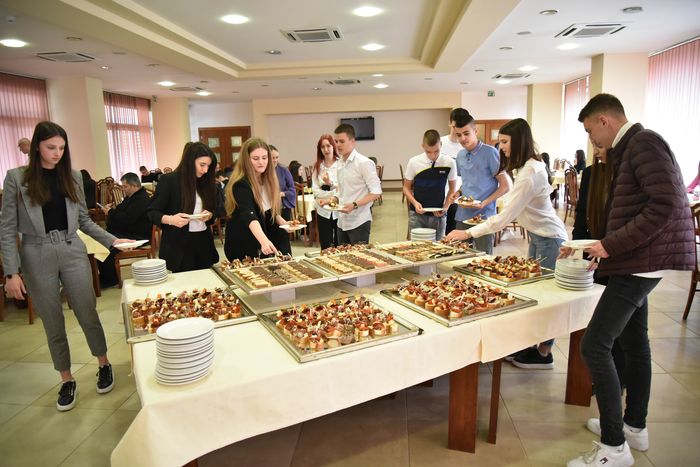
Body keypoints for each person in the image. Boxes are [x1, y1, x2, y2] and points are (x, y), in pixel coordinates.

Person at [565, 93, 694, 467]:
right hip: (636, 260)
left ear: (604, 121)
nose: (592, 140)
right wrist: (601, 248)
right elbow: (632, 210)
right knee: (635, 342)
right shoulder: (630, 149)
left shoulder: (643, 143)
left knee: (595, 346)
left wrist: (610, 245)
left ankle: (614, 447)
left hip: (641, 264)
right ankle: (634, 426)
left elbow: (665, 205)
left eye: (591, 131)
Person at [0, 121, 133, 412]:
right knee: (52, 320)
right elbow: (7, 228)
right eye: (51, 147)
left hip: (72, 249)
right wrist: (11, 272)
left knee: (87, 311)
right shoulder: (16, 178)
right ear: (37, 146)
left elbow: (83, 220)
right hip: (35, 253)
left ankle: (103, 363)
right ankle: (66, 378)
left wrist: (112, 240)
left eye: (61, 148)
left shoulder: (72, 176)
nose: (57, 153)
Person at [446, 118, 567, 369]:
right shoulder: (527, 168)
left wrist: (467, 234)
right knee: (534, 293)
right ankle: (533, 345)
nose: (501, 147)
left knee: (546, 298)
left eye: (504, 142)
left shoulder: (531, 172)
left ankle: (544, 352)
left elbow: (504, 218)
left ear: (519, 142)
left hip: (549, 239)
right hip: (538, 236)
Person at [147, 142, 219, 272]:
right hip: (178, 244)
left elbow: (215, 210)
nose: (205, 170)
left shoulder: (206, 181)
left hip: (203, 241)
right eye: (202, 165)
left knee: (207, 280)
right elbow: (152, 212)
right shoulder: (169, 180)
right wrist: (171, 219)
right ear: (190, 161)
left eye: (208, 166)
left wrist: (210, 215)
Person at [450, 109, 510, 254]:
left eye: (466, 133)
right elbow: (468, 181)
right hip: (462, 216)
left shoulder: (490, 153)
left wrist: (485, 202)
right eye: (459, 135)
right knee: (459, 256)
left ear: (475, 131)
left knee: (483, 257)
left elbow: (505, 186)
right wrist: (458, 192)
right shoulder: (460, 155)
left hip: (484, 218)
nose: (463, 138)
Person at [224, 137, 291, 259]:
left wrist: (284, 223)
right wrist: (264, 240)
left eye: (264, 158)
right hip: (244, 239)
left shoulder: (268, 179)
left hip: (263, 234)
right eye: (255, 158)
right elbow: (250, 215)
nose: (261, 162)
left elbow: (267, 208)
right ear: (246, 160)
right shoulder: (240, 184)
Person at [318, 124, 382, 245]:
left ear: (352, 142)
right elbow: (342, 191)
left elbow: (376, 192)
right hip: (342, 222)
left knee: (359, 256)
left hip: (359, 221)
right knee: (342, 255)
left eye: (342, 141)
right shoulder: (339, 163)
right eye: (336, 141)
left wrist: (354, 204)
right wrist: (331, 199)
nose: (338, 145)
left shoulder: (364, 163)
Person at [97, 172, 152, 287]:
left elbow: (127, 219)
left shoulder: (141, 199)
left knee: (107, 243)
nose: (123, 189)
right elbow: (121, 210)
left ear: (134, 185)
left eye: (125, 186)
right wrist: (111, 210)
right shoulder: (131, 197)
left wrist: (111, 213)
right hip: (129, 231)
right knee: (103, 238)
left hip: (138, 235)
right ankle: (106, 277)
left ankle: (109, 279)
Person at [403, 129, 457, 240]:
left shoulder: (450, 162)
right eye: (428, 152)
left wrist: (445, 207)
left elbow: (452, 189)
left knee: (439, 247)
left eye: (436, 151)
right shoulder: (414, 162)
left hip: (439, 215)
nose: (432, 155)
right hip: (417, 214)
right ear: (422, 146)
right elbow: (406, 188)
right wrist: (415, 203)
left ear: (441, 144)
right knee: (416, 247)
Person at [312, 134, 341, 250]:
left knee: (340, 243)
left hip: (339, 210)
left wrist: (330, 184)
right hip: (323, 210)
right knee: (325, 245)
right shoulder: (318, 167)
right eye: (323, 147)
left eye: (328, 146)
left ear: (333, 146)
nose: (326, 149)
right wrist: (332, 193)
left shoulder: (341, 164)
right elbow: (315, 191)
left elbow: (343, 190)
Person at [441, 109, 467, 234]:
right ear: (450, 123)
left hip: (460, 198)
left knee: (457, 235)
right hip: (441, 196)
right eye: (455, 126)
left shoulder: (467, 146)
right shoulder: (440, 143)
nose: (457, 131)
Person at [270, 145, 297, 221]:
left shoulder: (284, 170)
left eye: (277, 157)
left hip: (283, 208)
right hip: (268, 208)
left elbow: (292, 190)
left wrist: (282, 194)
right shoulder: (262, 172)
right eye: (272, 158)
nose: (275, 160)